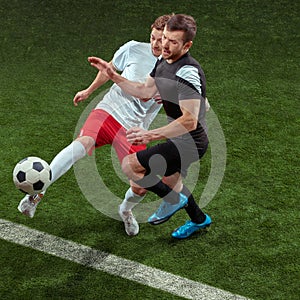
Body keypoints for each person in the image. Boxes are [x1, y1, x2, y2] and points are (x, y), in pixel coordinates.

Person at [17, 15, 174, 237]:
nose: (156, 44)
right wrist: (89, 90)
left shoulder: (173, 68)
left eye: (161, 40)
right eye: (153, 38)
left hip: (133, 129)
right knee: (82, 144)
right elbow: (108, 68)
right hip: (109, 111)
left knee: (140, 184)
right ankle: (37, 194)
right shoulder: (133, 49)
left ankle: (125, 210)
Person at [88, 14, 212, 239]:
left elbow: (190, 120)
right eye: (164, 37)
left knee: (131, 166)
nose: (164, 44)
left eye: (173, 41)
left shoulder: (188, 72)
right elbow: (145, 90)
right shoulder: (163, 61)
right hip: (178, 138)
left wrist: (149, 135)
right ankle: (199, 219)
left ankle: (172, 200)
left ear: (187, 45)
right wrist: (113, 76)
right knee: (171, 180)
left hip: (191, 142)